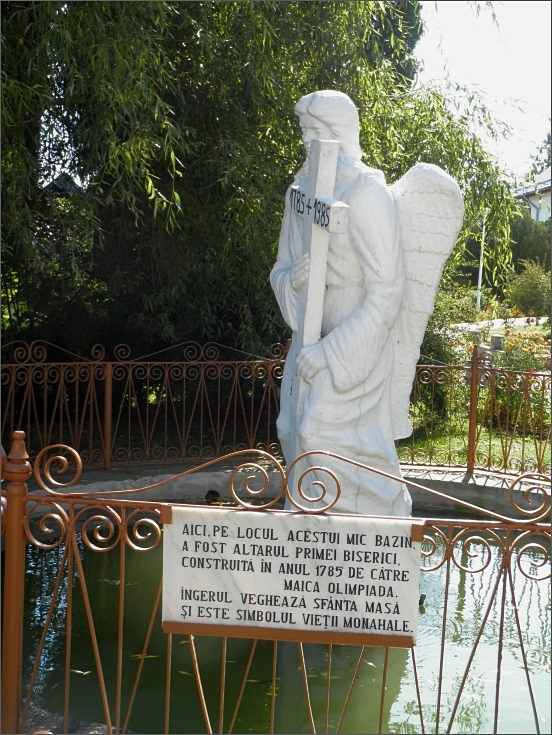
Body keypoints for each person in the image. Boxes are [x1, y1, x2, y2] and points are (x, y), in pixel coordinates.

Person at [270, 90, 412, 516]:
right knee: (290, 427)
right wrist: (293, 281)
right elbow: (281, 267)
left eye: (314, 130)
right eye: (303, 130)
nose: (305, 140)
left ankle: (377, 531)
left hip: (354, 348)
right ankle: (305, 535)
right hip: (307, 335)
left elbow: (388, 290)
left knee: (318, 429)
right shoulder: (299, 193)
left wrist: (330, 352)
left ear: (338, 132)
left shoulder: (366, 194)